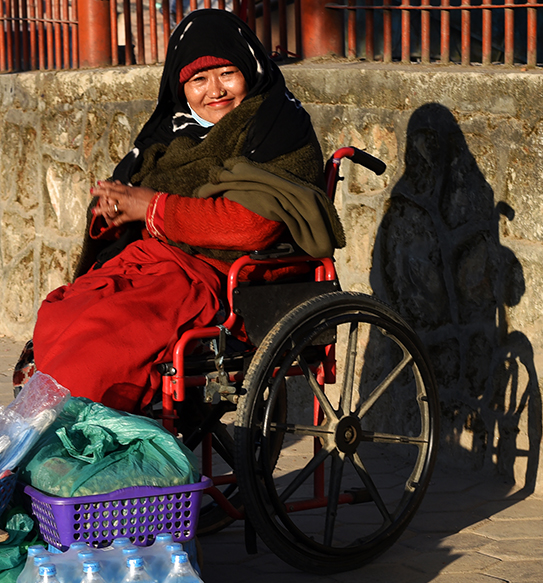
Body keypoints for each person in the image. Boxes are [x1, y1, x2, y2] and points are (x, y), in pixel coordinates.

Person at [28, 9, 345, 413]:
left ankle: (80, 440)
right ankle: (43, 427)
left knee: (102, 339)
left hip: (226, 276)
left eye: (227, 73)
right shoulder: (172, 134)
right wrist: (115, 208)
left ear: (250, 68)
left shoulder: (276, 127)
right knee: (62, 313)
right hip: (160, 261)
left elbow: (253, 226)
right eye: (199, 80)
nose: (215, 90)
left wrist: (152, 207)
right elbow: (136, 198)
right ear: (182, 88)